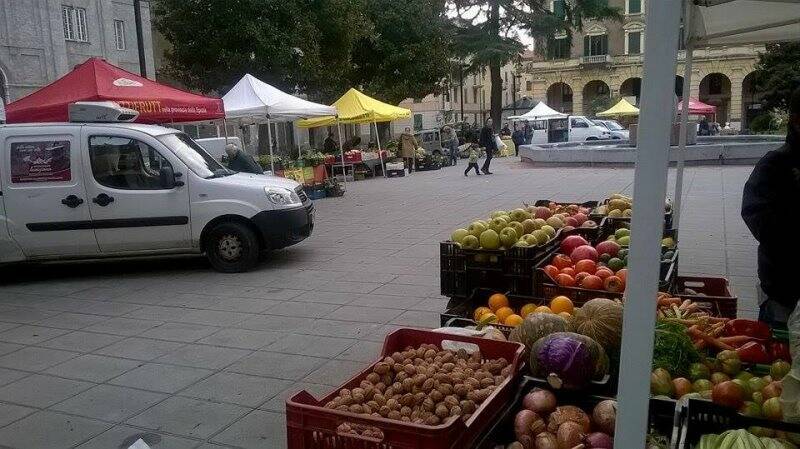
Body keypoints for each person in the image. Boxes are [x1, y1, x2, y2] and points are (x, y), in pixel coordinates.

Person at [741, 88, 800, 328]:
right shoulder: (776, 164)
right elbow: (756, 216)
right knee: (779, 354)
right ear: (797, 121)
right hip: (784, 291)